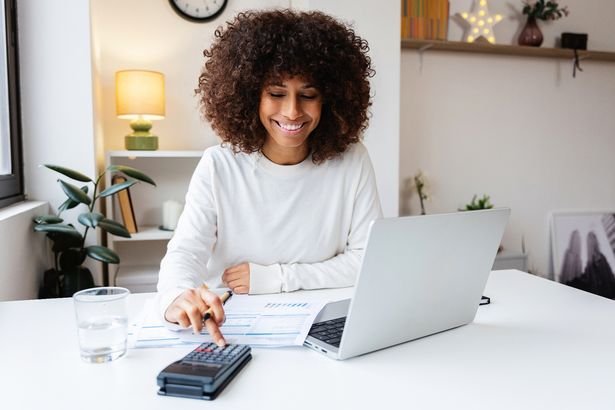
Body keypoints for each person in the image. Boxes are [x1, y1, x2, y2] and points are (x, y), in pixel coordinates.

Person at [156, 9, 382, 346]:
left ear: (330, 99)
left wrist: (274, 277)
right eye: (276, 94)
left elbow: (367, 259)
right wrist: (175, 296)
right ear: (250, 96)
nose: (292, 111)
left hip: (326, 325)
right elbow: (185, 253)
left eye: (308, 95)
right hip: (233, 327)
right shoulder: (219, 166)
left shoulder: (352, 161)